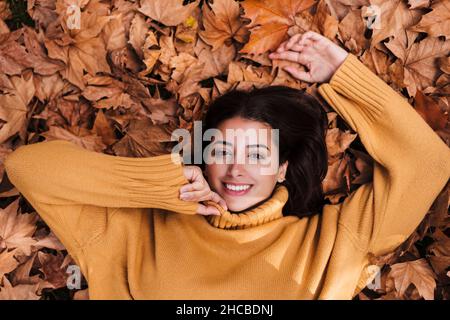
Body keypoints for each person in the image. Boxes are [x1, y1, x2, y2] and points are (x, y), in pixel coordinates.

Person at [4, 31, 450, 300]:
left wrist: (342, 75)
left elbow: (428, 162)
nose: (237, 171)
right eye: (222, 151)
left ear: (282, 168)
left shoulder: (335, 238)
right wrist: (164, 187)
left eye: (257, 156)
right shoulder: (136, 229)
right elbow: (29, 167)